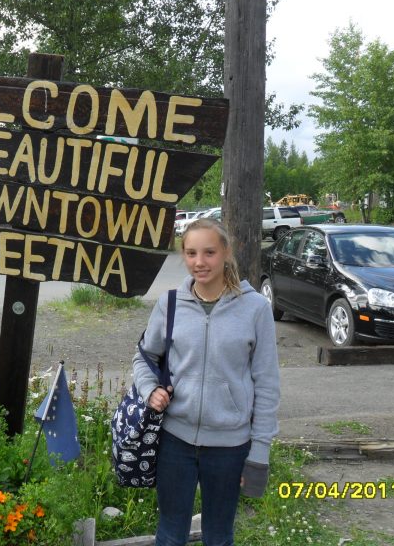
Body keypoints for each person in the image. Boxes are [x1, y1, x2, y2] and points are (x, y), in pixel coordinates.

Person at [133, 218, 280, 546]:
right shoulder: (170, 304)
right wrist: (150, 390)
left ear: (226, 252)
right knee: (170, 534)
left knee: (218, 536)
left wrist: (259, 453)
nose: (199, 262)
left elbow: (267, 385)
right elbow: (144, 358)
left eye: (209, 252)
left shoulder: (255, 308)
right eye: (191, 253)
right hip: (175, 441)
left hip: (230, 447)